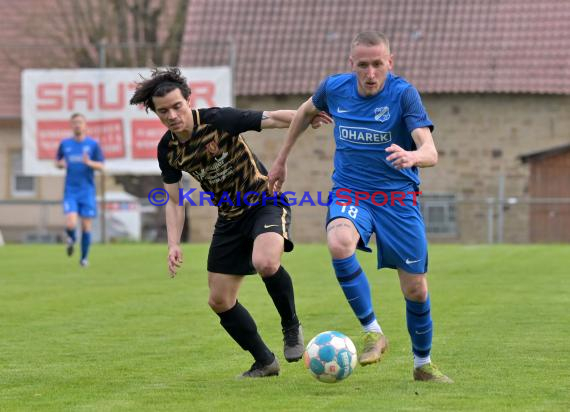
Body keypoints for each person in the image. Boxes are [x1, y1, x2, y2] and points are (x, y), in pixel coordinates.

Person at [268, 31, 452, 383]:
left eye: (378, 64)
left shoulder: (403, 95)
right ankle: (372, 332)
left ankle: (422, 365)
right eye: (363, 65)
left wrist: (412, 155)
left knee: (416, 289)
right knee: (338, 242)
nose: (370, 73)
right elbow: (305, 111)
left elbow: (430, 151)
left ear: (389, 63)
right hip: (351, 191)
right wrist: (281, 160)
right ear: (351, 64)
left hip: (397, 200)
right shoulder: (334, 89)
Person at [129, 68, 331, 378]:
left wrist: (306, 116)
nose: (172, 115)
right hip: (229, 218)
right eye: (163, 111)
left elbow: (272, 117)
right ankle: (264, 361)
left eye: (176, 106)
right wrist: (173, 243)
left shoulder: (218, 119)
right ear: (156, 113)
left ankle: (291, 325)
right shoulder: (167, 150)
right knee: (219, 300)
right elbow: (173, 199)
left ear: (188, 101)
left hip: (264, 202)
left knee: (265, 261)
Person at [55, 113, 104, 267]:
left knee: (86, 226)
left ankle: (83, 259)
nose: (77, 125)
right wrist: (60, 164)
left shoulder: (93, 144)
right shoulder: (65, 144)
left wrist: (89, 162)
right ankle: (71, 239)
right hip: (71, 189)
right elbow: (57, 161)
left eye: (80, 122)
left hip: (87, 190)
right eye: (74, 122)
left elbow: (101, 165)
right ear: (71, 125)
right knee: (71, 223)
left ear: (85, 125)